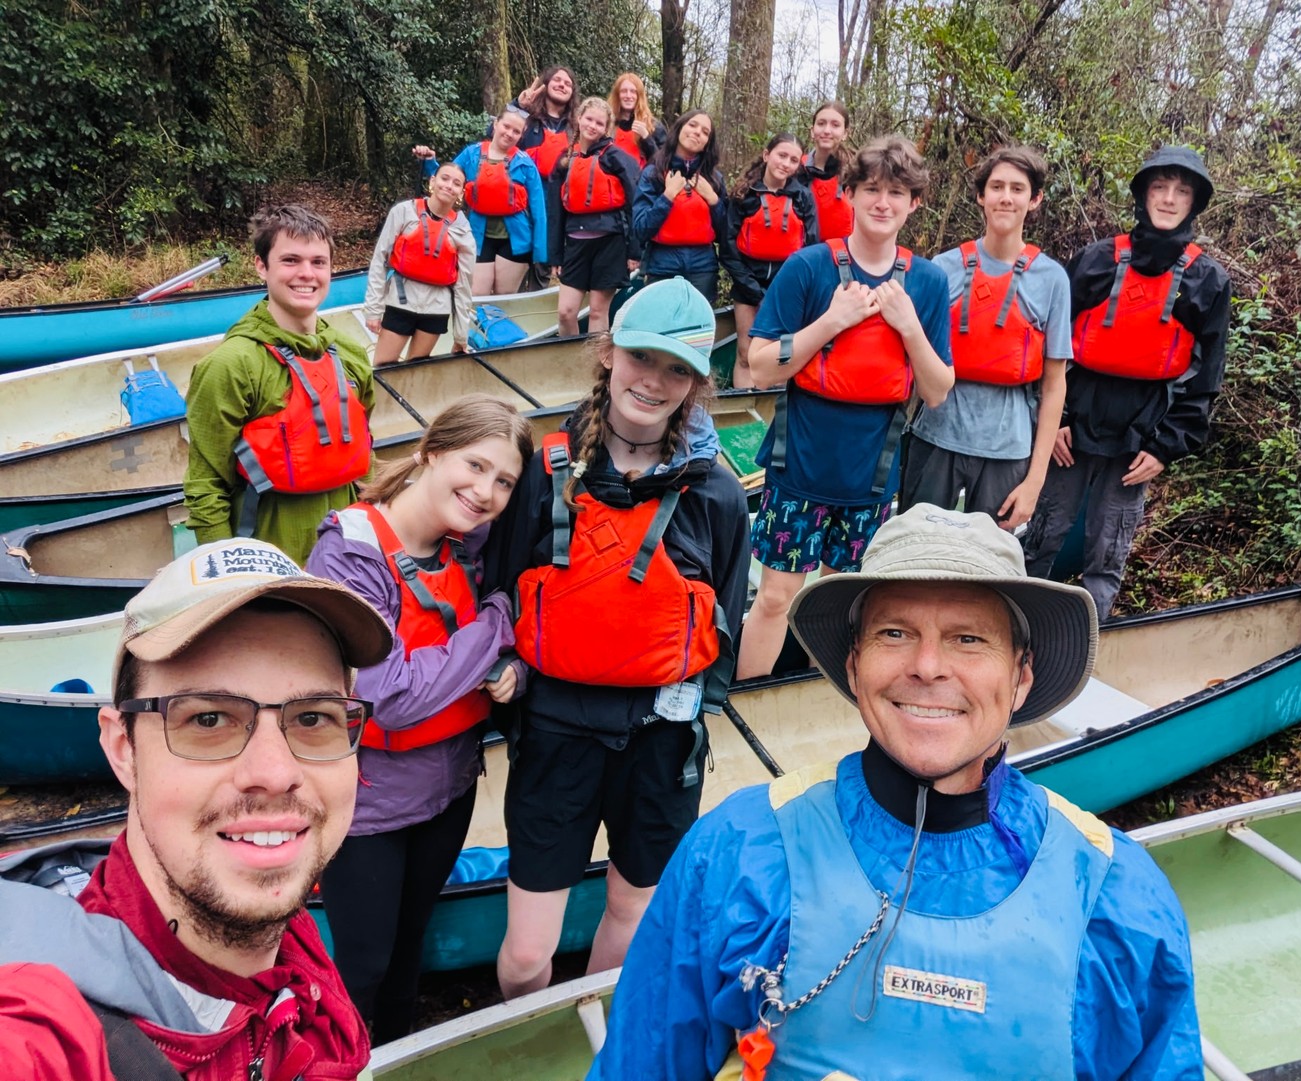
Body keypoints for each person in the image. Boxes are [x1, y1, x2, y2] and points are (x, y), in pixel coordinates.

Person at [590, 505, 1202, 1079]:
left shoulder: (1113, 894)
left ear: (1020, 677)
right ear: (854, 667)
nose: (928, 666)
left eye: (969, 638)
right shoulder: (740, 851)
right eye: (894, 633)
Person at [0, 536, 395, 1080]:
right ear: (124, 749)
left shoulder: (291, 949)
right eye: (208, 719)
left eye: (312, 718)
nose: (275, 773)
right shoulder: (39, 1031)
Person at [485, 279, 749, 1000]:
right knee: (524, 956)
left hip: (661, 741)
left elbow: (723, 621)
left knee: (630, 917)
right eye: (641, 357)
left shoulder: (719, 496)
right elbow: (501, 593)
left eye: (677, 369)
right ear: (608, 353)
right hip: (554, 732)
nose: (654, 381)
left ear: (696, 383)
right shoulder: (545, 470)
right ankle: (528, 1035)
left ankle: (598, 1038)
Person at [305, 395, 532, 1044]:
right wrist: (497, 625)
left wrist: (512, 669)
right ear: (431, 452)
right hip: (369, 807)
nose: (485, 492)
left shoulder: (472, 544)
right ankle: (336, 1060)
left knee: (410, 947)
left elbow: (497, 652)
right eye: (474, 465)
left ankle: (398, 1053)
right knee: (364, 964)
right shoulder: (350, 554)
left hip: (449, 789)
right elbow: (390, 694)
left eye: (504, 481)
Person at [736, 135, 953, 680]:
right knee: (775, 598)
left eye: (897, 193)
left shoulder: (927, 283)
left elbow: (937, 389)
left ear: (914, 204)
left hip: (870, 477)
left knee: (839, 605)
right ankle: (744, 702)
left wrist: (909, 327)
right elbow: (760, 366)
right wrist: (832, 321)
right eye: (872, 189)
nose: (883, 202)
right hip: (799, 466)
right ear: (849, 193)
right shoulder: (808, 267)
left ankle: (818, 700)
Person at [1024, 146, 1231, 620]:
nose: (1169, 198)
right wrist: (1053, 421)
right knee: (1040, 537)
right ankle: (1017, 630)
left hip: (1140, 439)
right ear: (1143, 194)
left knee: (1107, 554)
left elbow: (1207, 376)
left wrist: (1165, 448)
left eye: (1181, 191)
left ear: (1194, 203)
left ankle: (1087, 640)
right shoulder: (1096, 260)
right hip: (1072, 428)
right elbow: (1047, 346)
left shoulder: (1207, 280)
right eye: (1160, 187)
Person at [184, 205, 375, 564]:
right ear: (261, 266)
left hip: (347, 551)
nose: (307, 273)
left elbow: (365, 455)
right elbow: (205, 486)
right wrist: (229, 572)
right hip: (267, 557)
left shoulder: (353, 355)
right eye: (290, 260)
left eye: (318, 262)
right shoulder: (231, 365)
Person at [900, 145, 1071, 528]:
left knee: (991, 558)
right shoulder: (942, 269)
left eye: (1017, 189)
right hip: (936, 439)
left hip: (1008, 450)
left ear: (1035, 199)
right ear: (981, 196)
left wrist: (1035, 482)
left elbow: (1054, 384)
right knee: (919, 549)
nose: (1006, 197)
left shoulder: (1052, 280)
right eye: (996, 187)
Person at [413, 105, 549, 297]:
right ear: (496, 124)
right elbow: (447, 178)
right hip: (479, 234)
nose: (509, 133)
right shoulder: (472, 154)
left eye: (516, 131)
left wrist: (540, 253)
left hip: (516, 239)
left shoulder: (525, 163)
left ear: (521, 135)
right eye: (506, 126)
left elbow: (538, 209)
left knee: (505, 297)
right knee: (477, 294)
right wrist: (429, 161)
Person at [721, 133, 818, 389]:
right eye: (781, 155)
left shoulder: (803, 197)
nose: (786, 164)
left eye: (793, 160)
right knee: (746, 352)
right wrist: (755, 292)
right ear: (767, 155)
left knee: (780, 355)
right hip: (747, 282)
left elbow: (811, 249)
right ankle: (744, 407)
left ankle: (774, 407)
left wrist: (783, 291)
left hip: (787, 284)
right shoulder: (744, 195)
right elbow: (728, 249)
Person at [363, 161, 476, 366]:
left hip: (437, 308)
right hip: (400, 300)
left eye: (456, 183)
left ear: (461, 192)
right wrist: (374, 310)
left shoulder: (462, 229)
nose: (449, 186)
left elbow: (464, 285)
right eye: (444, 178)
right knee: (383, 368)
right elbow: (380, 260)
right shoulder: (404, 212)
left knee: (415, 370)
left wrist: (460, 336)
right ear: (432, 181)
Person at [552, 97, 641, 337]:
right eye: (589, 119)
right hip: (575, 243)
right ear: (579, 119)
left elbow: (635, 203)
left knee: (597, 312)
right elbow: (556, 210)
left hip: (610, 243)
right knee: (566, 312)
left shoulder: (616, 157)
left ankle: (594, 360)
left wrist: (634, 251)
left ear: (606, 128)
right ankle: (571, 356)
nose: (592, 126)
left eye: (599, 123)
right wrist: (555, 254)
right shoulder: (565, 159)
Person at [632, 110, 728, 305]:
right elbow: (641, 229)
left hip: (703, 265)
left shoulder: (714, 179)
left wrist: (713, 199)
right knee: (660, 320)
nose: (697, 132)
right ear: (679, 129)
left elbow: (726, 232)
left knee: (698, 322)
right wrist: (667, 196)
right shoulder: (653, 173)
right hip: (662, 262)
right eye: (692, 125)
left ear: (708, 142)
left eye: (705, 132)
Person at [796, 100, 855, 242]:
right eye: (821, 123)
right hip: (801, 249)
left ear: (845, 133)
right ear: (812, 130)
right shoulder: (796, 167)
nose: (827, 130)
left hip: (842, 250)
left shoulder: (855, 170)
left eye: (835, 125)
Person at [608, 73, 666, 169]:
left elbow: (663, 163)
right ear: (617, 95)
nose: (628, 96)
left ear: (639, 96)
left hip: (640, 177)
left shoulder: (654, 126)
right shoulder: (608, 123)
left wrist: (646, 138)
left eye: (633, 92)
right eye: (624, 91)